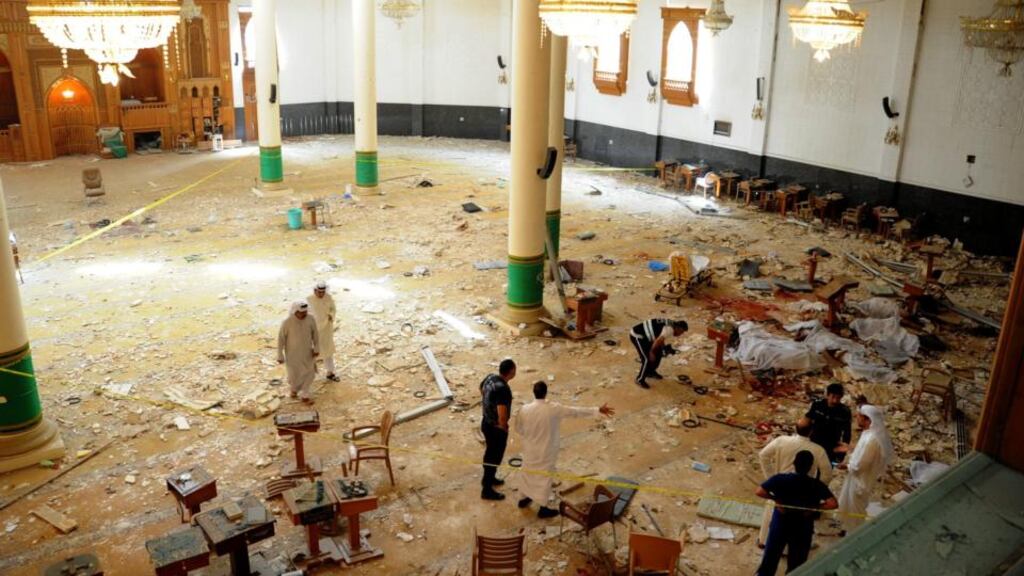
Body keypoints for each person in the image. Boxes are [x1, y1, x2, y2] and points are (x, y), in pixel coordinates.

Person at [513, 381, 614, 518]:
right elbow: (576, 412)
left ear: (534, 393)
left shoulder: (524, 409)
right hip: (546, 450)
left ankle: (524, 498)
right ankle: (543, 508)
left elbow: (518, 429)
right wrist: (597, 410)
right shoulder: (554, 408)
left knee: (528, 474)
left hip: (530, 449)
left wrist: (531, 437)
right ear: (545, 393)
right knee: (544, 478)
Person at [755, 450, 838, 576]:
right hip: (802, 526)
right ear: (810, 467)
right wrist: (814, 507)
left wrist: (775, 499)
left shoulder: (780, 479)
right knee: (797, 562)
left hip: (781, 522)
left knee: (771, 556)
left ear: (794, 463)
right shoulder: (815, 484)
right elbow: (833, 504)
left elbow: (759, 491)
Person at [756, 417, 832, 547]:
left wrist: (771, 477)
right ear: (811, 431)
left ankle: (764, 541)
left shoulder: (781, 441)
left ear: (795, 428)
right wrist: (816, 488)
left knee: (774, 510)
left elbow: (763, 455)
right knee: (798, 519)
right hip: (803, 488)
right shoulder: (817, 450)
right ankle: (790, 548)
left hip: (781, 484)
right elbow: (827, 473)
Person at [837, 404, 893, 532]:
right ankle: (844, 527)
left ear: (867, 420)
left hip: (860, 481)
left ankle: (853, 534)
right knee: (847, 505)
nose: (856, 418)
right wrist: (850, 449)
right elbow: (860, 452)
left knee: (855, 510)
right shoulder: (868, 433)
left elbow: (861, 464)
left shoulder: (873, 440)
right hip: (855, 477)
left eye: (859, 417)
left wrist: (846, 466)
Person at [480, 359, 516, 500]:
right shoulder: (503, 390)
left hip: (486, 423)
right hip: (495, 429)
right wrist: (503, 428)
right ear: (511, 372)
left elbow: (481, 389)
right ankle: (487, 490)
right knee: (494, 457)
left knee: (490, 454)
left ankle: (489, 478)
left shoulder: (490, 378)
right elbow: (502, 414)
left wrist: (488, 405)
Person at [277, 301, 320, 404]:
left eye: (305, 312)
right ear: (295, 311)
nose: (303, 314)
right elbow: (281, 339)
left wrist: (316, 348)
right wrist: (280, 354)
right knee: (294, 374)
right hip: (292, 354)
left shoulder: (311, 319)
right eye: (301, 312)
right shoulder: (287, 322)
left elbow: (315, 335)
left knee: (309, 373)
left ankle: (305, 394)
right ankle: (294, 390)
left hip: (307, 353)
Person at [628, 318, 688, 388]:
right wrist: (651, 352)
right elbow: (658, 340)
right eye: (681, 332)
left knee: (659, 354)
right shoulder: (670, 329)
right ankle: (639, 379)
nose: (680, 334)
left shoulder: (672, 324)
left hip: (647, 336)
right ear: (678, 328)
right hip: (637, 336)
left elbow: (660, 337)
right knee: (647, 359)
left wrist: (662, 348)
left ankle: (650, 372)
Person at [806, 383, 852, 464]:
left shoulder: (844, 411)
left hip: (832, 446)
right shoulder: (817, 405)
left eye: (838, 398)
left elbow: (847, 434)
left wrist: (841, 454)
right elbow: (808, 421)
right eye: (833, 397)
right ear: (827, 395)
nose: (835, 400)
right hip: (814, 442)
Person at [307, 281, 339, 382]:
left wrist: (331, 315)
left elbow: (333, 309)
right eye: (319, 292)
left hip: (326, 329)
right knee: (312, 352)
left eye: (323, 292)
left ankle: (331, 373)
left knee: (328, 351)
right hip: (314, 330)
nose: (321, 294)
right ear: (315, 290)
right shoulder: (309, 300)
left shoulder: (328, 297)